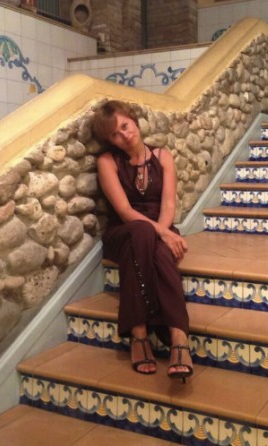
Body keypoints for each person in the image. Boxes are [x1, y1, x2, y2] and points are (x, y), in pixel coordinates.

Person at [91, 99, 193, 382]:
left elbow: (168, 205)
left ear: (133, 120)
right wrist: (163, 233)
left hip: (160, 226)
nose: (124, 135)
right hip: (124, 232)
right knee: (142, 232)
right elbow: (125, 212)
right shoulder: (107, 162)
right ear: (109, 140)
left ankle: (173, 336)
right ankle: (146, 333)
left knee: (157, 250)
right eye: (115, 134)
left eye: (125, 126)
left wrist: (162, 230)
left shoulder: (163, 157)